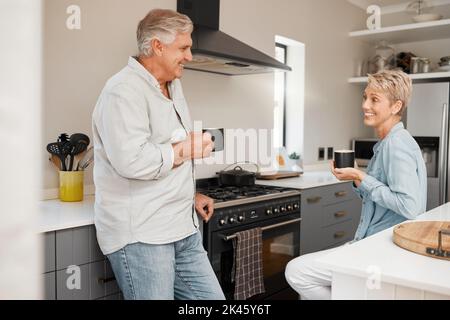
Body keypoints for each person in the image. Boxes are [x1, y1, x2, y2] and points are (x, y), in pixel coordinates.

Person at [92, 9, 225, 300]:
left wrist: (188, 195)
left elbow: (165, 151)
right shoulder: (123, 92)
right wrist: (184, 149)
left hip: (181, 227)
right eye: (184, 48)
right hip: (143, 235)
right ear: (157, 46)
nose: (189, 56)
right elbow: (132, 161)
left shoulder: (173, 87)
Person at [285, 70, 427, 300]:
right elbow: (381, 194)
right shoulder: (386, 143)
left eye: (375, 99)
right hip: (372, 244)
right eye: (365, 97)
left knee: (297, 272)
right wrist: (355, 179)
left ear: (395, 106)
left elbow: (410, 206)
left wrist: (361, 177)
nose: (365, 105)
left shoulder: (396, 145)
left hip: (382, 250)